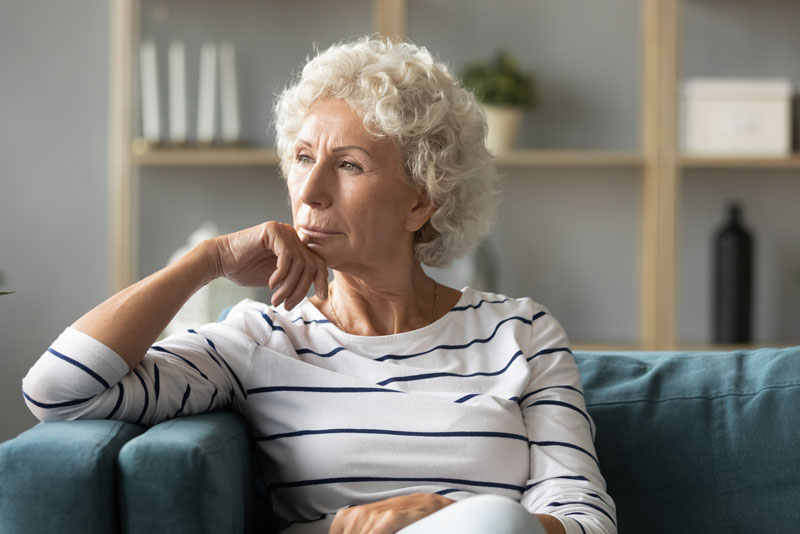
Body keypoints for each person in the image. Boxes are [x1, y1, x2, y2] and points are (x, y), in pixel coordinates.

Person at [22, 35, 616, 534]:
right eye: (303, 158)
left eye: (349, 165)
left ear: (420, 202)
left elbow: (584, 518)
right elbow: (58, 392)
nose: (309, 192)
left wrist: (455, 517)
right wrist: (212, 257)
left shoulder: (521, 331)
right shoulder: (260, 340)